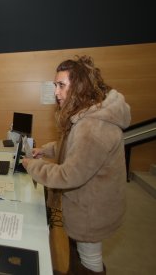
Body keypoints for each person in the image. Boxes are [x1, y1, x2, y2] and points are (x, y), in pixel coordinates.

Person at [22, 55, 131, 275]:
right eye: (55, 85)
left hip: (93, 209)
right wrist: (45, 150)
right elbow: (71, 147)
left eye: (61, 85)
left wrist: (32, 165)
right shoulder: (88, 112)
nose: (56, 92)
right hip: (91, 201)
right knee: (78, 253)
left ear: (80, 86)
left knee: (90, 260)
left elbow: (68, 175)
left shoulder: (92, 125)